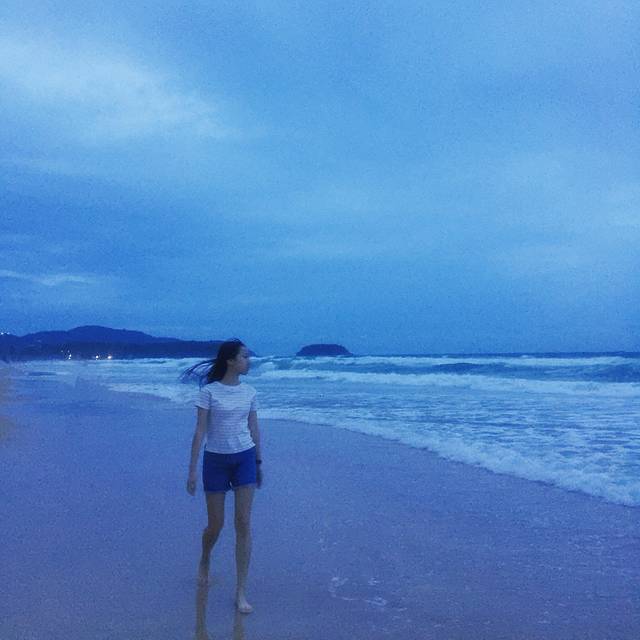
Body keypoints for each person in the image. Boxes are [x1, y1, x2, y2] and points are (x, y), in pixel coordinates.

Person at [182, 339, 262, 614]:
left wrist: (259, 462)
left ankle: (241, 592)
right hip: (215, 461)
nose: (248, 361)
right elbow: (200, 431)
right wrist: (192, 470)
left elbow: (254, 428)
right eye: (244, 357)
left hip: (245, 458)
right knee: (215, 526)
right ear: (230, 360)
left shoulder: (250, 392)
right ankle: (205, 557)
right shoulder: (209, 392)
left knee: (243, 522)